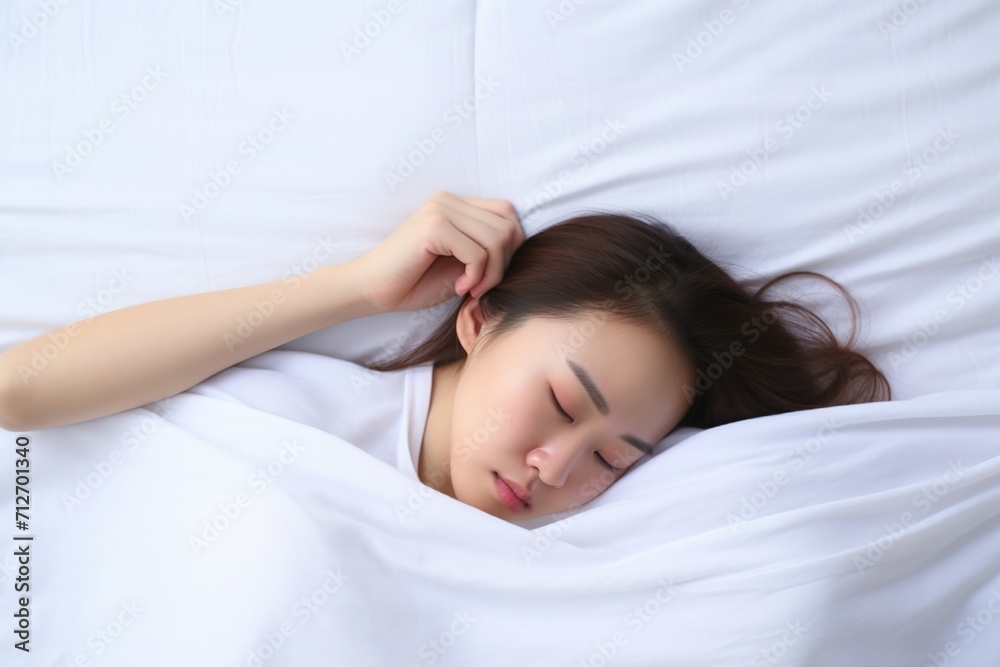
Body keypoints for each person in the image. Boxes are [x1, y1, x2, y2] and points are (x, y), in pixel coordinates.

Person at [0, 191, 890, 523]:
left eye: (614, 458)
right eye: (563, 401)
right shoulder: (303, 402)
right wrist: (356, 288)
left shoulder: (589, 541)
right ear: (483, 318)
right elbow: (18, 390)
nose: (556, 466)